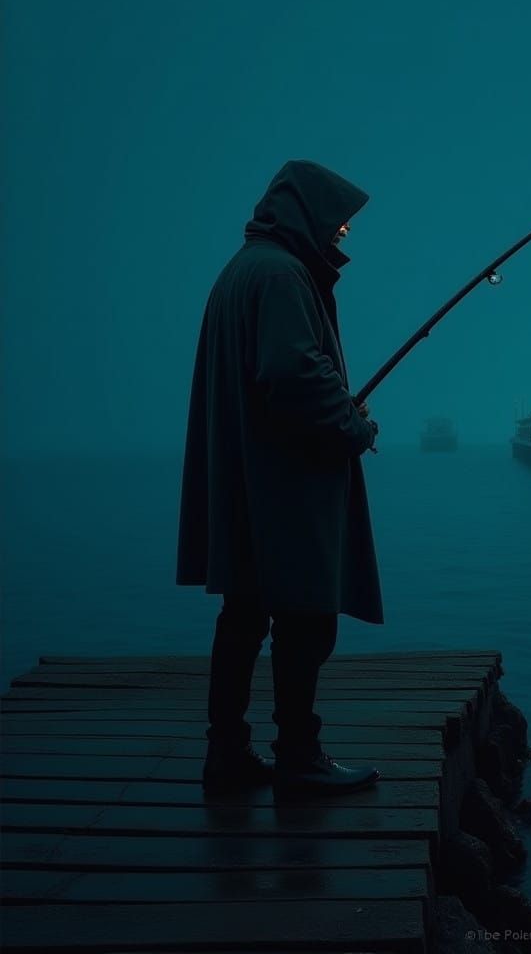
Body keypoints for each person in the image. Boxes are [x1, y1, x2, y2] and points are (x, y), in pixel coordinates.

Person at [176, 159, 384, 797]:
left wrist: (338, 407)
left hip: (247, 482)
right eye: (338, 224)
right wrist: (353, 426)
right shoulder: (283, 275)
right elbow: (291, 375)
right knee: (307, 620)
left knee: (243, 616)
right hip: (283, 487)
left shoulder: (242, 271)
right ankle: (298, 756)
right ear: (306, 213)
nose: (342, 235)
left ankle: (227, 755)